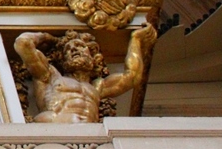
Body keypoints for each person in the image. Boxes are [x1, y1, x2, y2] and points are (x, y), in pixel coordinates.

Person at [14, 23, 157, 123]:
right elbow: (23, 44)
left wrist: (136, 40)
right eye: (68, 50)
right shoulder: (49, 75)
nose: (74, 50)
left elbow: (132, 76)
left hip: (89, 135)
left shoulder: (97, 86)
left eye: (81, 47)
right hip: (54, 129)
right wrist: (46, 37)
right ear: (62, 59)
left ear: (93, 58)